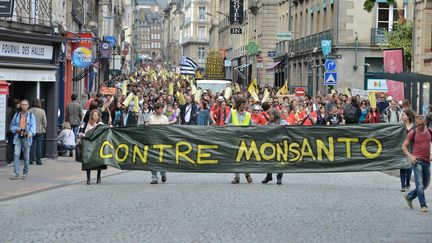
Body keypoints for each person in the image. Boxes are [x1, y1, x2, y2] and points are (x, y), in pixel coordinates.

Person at [402, 115, 431, 212]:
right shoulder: (412, 132)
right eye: (418, 125)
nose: (420, 127)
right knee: (420, 184)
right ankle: (423, 205)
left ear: (425, 123)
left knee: (425, 184)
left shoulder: (430, 131)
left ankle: (410, 196)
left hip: (427, 161)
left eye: (422, 125)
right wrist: (410, 157)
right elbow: (404, 147)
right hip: (416, 161)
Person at [225, 97, 254, 184]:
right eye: (242, 105)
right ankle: (237, 177)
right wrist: (233, 125)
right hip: (235, 139)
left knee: (246, 157)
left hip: (245, 140)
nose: (244, 107)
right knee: (236, 158)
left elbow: (252, 127)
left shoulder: (248, 115)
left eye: (245, 105)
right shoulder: (232, 112)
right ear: (238, 105)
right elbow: (226, 124)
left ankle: (247, 175)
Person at [9, 99, 36, 180]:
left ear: (28, 106)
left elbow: (33, 127)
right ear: (20, 105)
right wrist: (16, 129)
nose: (24, 106)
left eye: (25, 104)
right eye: (22, 104)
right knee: (16, 155)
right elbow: (11, 126)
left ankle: (25, 173)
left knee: (26, 157)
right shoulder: (17, 115)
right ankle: (16, 173)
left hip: (26, 138)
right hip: (18, 137)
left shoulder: (31, 116)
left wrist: (30, 133)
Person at [79, 109, 106, 185]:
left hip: (98, 145)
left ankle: (98, 177)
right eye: (95, 115)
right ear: (91, 116)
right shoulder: (88, 124)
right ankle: (88, 179)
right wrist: (83, 135)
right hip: (89, 146)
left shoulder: (100, 124)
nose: (96, 117)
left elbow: (105, 132)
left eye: (97, 115)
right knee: (88, 161)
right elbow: (83, 133)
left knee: (99, 161)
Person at [148, 102, 169, 184]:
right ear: (156, 109)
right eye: (161, 108)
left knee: (161, 159)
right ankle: (154, 177)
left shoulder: (165, 118)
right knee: (152, 159)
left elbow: (167, 131)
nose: (162, 110)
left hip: (162, 141)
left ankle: (163, 173)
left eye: (163, 108)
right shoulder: (151, 118)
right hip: (153, 141)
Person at [262, 109, 283, 185]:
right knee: (269, 159)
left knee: (280, 161)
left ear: (275, 116)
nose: (269, 117)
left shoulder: (282, 121)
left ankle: (279, 177)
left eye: (271, 115)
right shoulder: (268, 123)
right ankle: (269, 175)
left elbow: (288, 127)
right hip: (270, 144)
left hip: (280, 144)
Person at [400, 109, 415, 192]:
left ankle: (408, 182)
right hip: (402, 148)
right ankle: (403, 185)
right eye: (402, 115)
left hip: (412, 149)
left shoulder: (414, 126)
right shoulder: (400, 126)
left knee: (409, 167)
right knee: (402, 166)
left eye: (403, 115)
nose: (402, 116)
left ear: (408, 116)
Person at [29, 99, 47, 165]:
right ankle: (38, 161)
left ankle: (30, 160)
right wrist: (44, 128)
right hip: (40, 130)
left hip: (31, 131)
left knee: (31, 145)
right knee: (39, 146)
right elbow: (44, 121)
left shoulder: (29, 111)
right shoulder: (42, 111)